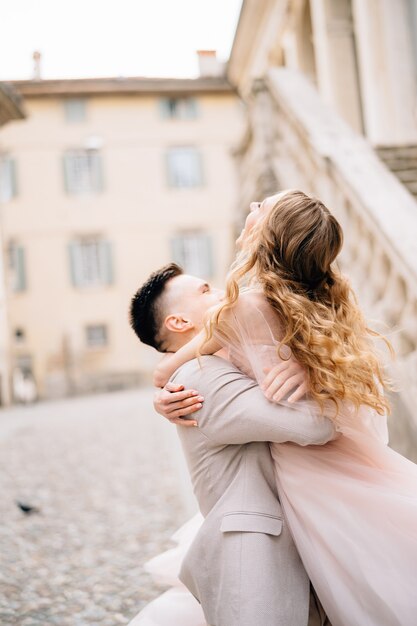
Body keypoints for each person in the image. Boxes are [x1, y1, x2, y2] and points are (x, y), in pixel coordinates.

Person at [154, 190, 417, 626]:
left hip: (307, 477)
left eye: (262, 207)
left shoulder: (241, 309)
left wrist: (162, 393)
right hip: (352, 465)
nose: (251, 206)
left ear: (268, 237)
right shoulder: (329, 302)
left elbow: (170, 366)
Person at [128, 264, 335, 626]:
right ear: (178, 323)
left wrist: (305, 363)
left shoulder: (221, 360)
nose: (224, 291)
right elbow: (315, 426)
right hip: (255, 552)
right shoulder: (199, 378)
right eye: (205, 290)